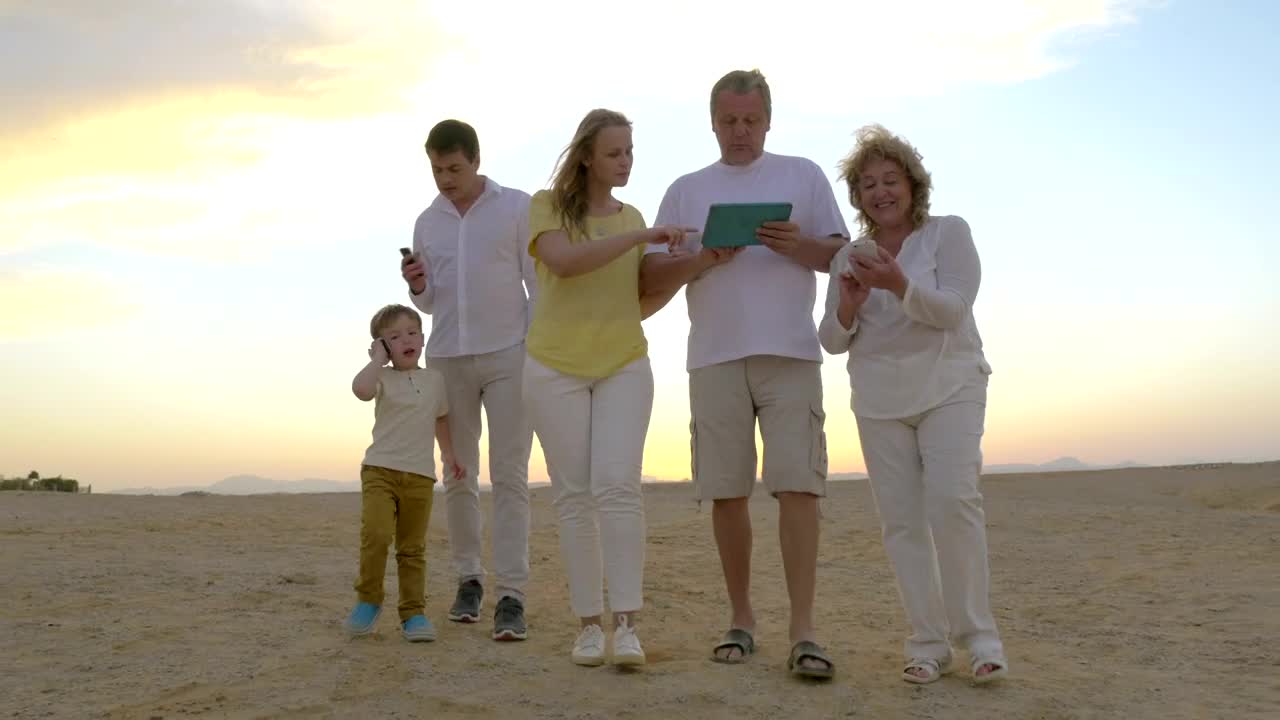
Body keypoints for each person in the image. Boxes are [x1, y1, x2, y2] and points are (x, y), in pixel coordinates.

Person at [639, 69, 848, 679]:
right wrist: (704, 258)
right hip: (714, 357)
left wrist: (795, 245)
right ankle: (741, 619)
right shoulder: (684, 190)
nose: (740, 132)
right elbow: (650, 280)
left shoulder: (803, 174)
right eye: (729, 121)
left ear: (768, 120)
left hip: (790, 353)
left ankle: (804, 629)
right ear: (712, 122)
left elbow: (841, 256)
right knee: (726, 492)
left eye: (751, 121)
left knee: (799, 488)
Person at [817, 124, 1009, 685]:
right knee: (901, 522)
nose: (881, 192)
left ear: (912, 184)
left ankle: (979, 638)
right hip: (879, 399)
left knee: (953, 502)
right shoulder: (849, 256)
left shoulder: (948, 234)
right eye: (868, 184)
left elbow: (951, 310)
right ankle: (926, 642)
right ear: (858, 198)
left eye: (890, 180)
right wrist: (850, 304)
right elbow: (830, 339)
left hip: (950, 386)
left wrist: (900, 284)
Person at [523, 108, 688, 667]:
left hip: (622, 363)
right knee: (573, 498)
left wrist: (698, 263)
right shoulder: (546, 208)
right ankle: (588, 627)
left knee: (619, 488)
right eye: (615, 153)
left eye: (630, 153)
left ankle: (627, 625)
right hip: (552, 366)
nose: (625, 162)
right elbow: (566, 264)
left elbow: (640, 298)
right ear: (588, 157)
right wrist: (640, 236)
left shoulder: (633, 216)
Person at [401, 119, 536, 641]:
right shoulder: (427, 222)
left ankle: (512, 594)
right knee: (457, 472)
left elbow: (534, 281)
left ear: (476, 160)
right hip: (449, 356)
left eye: (453, 168)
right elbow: (430, 301)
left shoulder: (516, 206)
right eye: (437, 169)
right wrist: (417, 287)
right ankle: (469, 580)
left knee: (510, 475)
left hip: (508, 354)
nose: (445, 179)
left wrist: (535, 345)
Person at [345, 304, 464, 641]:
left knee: (412, 549)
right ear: (383, 346)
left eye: (412, 332)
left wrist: (450, 454)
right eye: (394, 337)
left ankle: (413, 614)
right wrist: (376, 361)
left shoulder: (434, 379)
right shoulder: (380, 377)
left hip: (420, 477)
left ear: (423, 339)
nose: (406, 340)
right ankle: (368, 600)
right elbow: (360, 390)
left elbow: (441, 418)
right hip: (380, 471)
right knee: (377, 536)